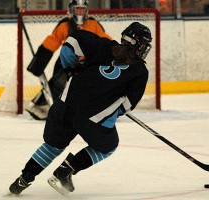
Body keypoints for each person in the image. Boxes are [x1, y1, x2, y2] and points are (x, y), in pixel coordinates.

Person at [9, 22, 152, 196]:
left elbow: (71, 41)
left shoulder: (105, 45)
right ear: (135, 42)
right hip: (92, 118)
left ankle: (23, 179)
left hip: (65, 105)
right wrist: (110, 111)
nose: (145, 48)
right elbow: (127, 105)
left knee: (53, 145)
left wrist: (70, 68)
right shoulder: (140, 71)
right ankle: (67, 169)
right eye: (143, 44)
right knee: (108, 146)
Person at [26, 0, 112, 120]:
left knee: (95, 82)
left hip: (88, 61)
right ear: (72, 10)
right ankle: (41, 107)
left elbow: (105, 40)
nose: (80, 12)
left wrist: (115, 52)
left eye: (82, 9)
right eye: (78, 9)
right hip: (67, 60)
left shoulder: (93, 24)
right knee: (59, 81)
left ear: (86, 11)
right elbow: (53, 40)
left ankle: (102, 108)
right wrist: (39, 62)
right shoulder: (65, 25)